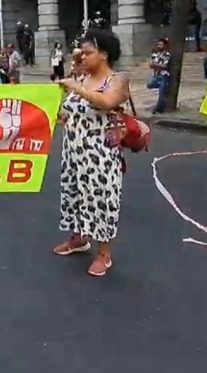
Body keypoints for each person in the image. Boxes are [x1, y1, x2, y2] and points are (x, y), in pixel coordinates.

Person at [54, 30, 130, 277]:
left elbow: (106, 102)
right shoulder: (82, 78)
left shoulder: (117, 79)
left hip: (101, 155)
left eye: (88, 53)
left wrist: (76, 87)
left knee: (101, 201)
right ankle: (78, 238)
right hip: (74, 151)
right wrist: (62, 115)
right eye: (81, 53)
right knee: (74, 195)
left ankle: (104, 253)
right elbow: (70, 111)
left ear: (105, 55)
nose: (83, 57)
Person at [148, 38, 171, 114]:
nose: (159, 46)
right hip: (156, 75)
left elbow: (165, 66)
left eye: (161, 44)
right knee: (150, 84)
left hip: (164, 75)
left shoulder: (167, 54)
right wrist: (158, 65)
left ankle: (159, 109)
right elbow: (151, 65)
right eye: (158, 44)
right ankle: (162, 86)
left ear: (165, 46)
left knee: (161, 92)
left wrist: (156, 65)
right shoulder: (155, 54)